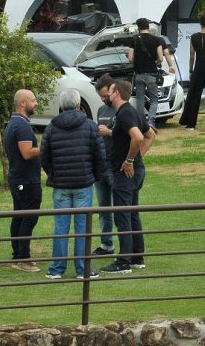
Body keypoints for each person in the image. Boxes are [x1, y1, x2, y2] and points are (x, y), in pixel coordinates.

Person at [40, 89, 105, 280]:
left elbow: (44, 157)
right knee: (82, 228)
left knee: (61, 227)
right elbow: (100, 155)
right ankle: (82, 269)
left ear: (61, 106)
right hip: (83, 183)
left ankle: (56, 269)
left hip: (61, 184)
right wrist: (94, 176)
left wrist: (53, 175)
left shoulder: (51, 127)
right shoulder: (90, 126)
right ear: (78, 104)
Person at [100, 79, 156, 274]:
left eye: (110, 91)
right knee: (132, 214)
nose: (107, 95)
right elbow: (151, 135)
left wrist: (130, 160)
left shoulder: (124, 113)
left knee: (123, 216)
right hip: (134, 172)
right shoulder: (132, 111)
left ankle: (123, 262)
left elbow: (139, 137)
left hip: (125, 174)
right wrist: (137, 158)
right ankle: (137, 257)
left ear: (116, 93)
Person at [3, 89, 42, 273]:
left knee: (19, 216)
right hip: (26, 180)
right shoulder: (22, 126)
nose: (36, 103)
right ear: (23, 103)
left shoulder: (14, 123)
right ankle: (23, 258)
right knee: (28, 217)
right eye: (33, 100)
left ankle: (18, 255)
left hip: (18, 178)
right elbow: (27, 153)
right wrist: (46, 147)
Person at [92, 74, 117, 257]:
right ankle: (106, 245)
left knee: (122, 208)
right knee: (103, 208)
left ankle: (129, 247)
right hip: (101, 166)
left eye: (105, 95)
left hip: (116, 166)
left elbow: (131, 135)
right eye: (100, 96)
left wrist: (109, 132)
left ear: (113, 89)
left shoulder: (124, 109)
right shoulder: (101, 111)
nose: (103, 99)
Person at [128, 18, 163, 128]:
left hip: (139, 74)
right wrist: (155, 62)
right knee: (154, 100)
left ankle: (141, 122)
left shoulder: (134, 39)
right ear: (148, 27)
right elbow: (161, 58)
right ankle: (151, 121)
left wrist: (137, 60)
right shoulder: (157, 39)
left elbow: (130, 58)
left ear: (138, 28)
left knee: (140, 99)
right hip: (152, 74)